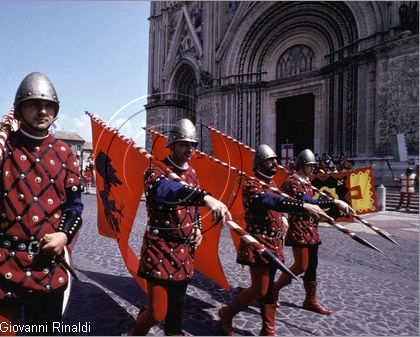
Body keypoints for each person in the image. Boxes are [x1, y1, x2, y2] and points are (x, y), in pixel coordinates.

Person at [0, 72, 84, 335]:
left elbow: (75, 206)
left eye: (48, 105)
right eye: (33, 104)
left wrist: (63, 235)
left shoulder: (65, 153)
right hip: (0, 262)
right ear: (20, 108)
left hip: (46, 265)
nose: (42, 110)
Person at [129, 118, 232, 336]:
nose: (189, 149)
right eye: (184, 144)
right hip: (159, 247)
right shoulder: (156, 170)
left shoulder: (192, 173)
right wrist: (205, 198)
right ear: (172, 144)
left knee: (177, 305)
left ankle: (173, 333)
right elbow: (167, 191)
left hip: (185, 249)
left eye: (193, 145)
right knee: (157, 312)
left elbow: (192, 208)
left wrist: (195, 226)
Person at [218, 144, 333, 336]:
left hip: (274, 243)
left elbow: (282, 204)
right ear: (260, 163)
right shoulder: (251, 184)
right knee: (259, 289)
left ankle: (268, 330)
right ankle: (227, 314)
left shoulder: (272, 185)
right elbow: (271, 201)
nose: (275, 163)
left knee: (268, 289)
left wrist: (330, 204)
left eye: (275, 160)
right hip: (258, 242)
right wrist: (302, 206)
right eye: (270, 160)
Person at [273, 149, 355, 316]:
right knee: (300, 266)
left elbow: (313, 201)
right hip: (298, 227)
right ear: (302, 166)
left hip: (311, 228)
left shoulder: (306, 182)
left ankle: (310, 300)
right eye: (310, 166)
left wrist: (336, 204)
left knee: (312, 267)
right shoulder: (292, 182)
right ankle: (274, 290)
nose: (313, 169)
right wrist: (334, 202)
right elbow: (306, 201)